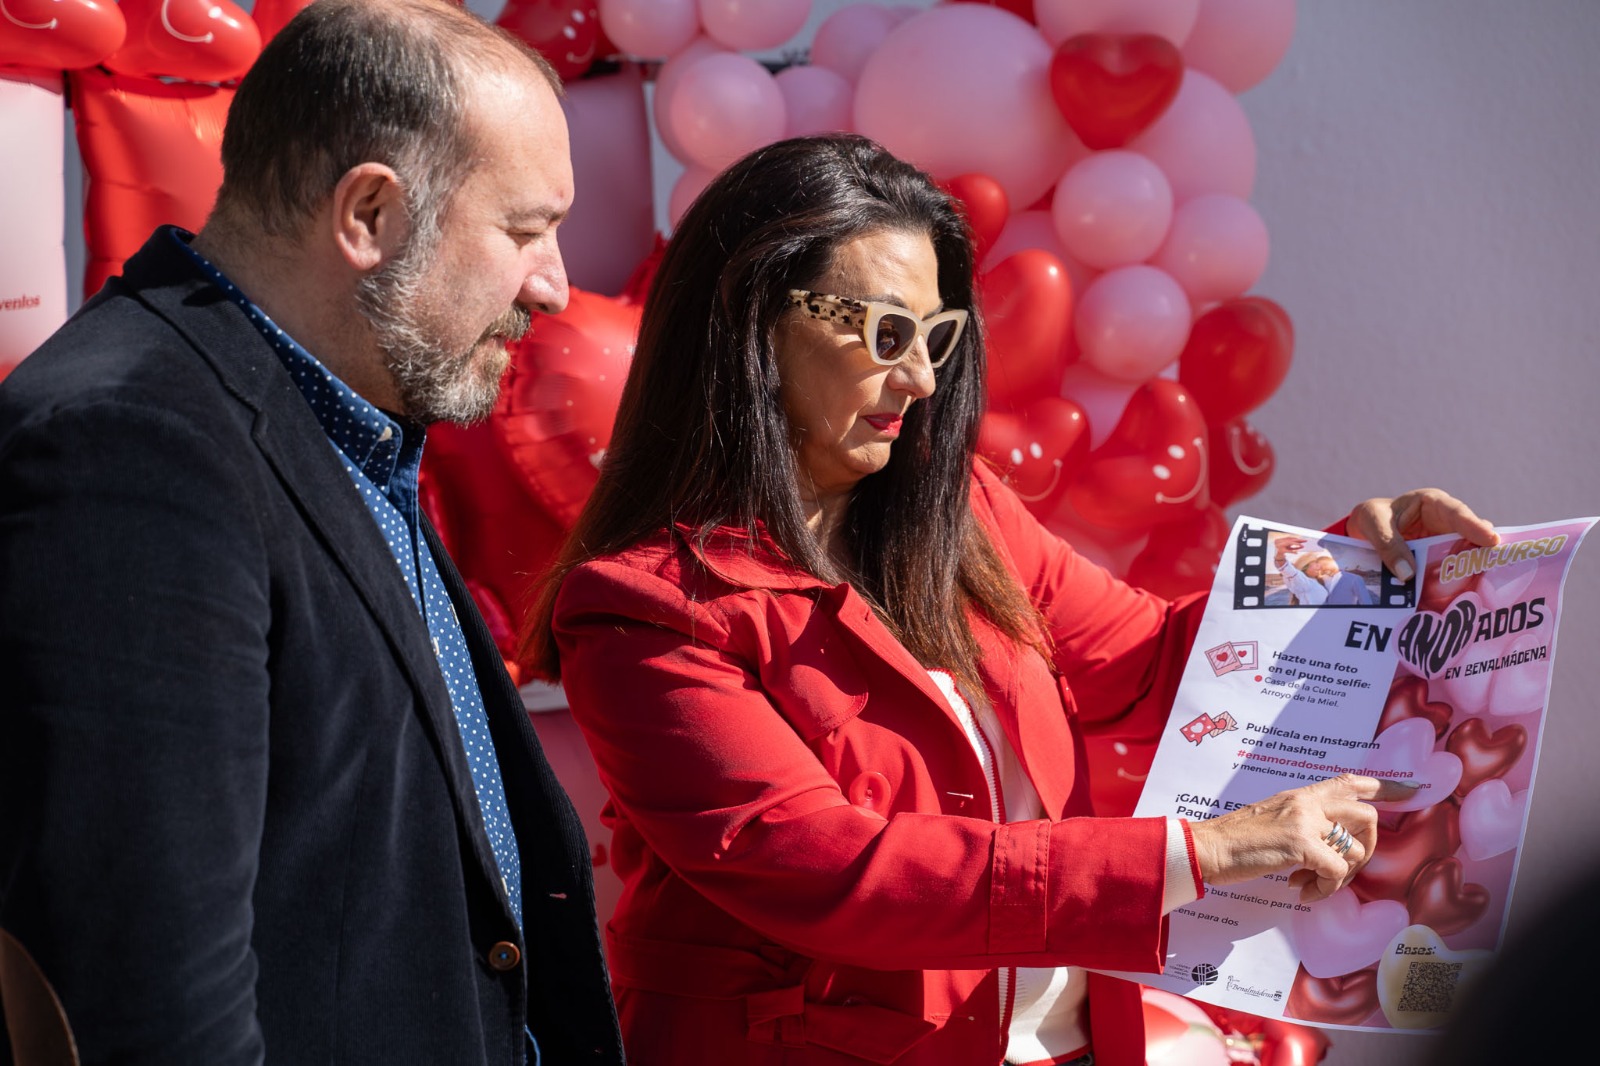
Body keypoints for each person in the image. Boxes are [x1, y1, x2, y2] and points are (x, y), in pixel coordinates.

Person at [518, 133, 1500, 1066]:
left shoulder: (963, 512)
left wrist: (1349, 577)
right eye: (884, 332)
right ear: (752, 326)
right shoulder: (640, 606)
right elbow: (830, 868)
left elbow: (1155, 663)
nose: (918, 377)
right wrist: (1201, 851)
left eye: (937, 336)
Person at [0, 0, 624, 1061]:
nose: (555, 287)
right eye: (522, 231)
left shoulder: (340, 410)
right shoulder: (131, 446)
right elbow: (146, 993)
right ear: (369, 214)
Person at [1275, 536, 1376, 606]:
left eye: (1323, 564)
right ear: (1305, 566)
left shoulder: (1323, 580)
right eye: (1317, 564)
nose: (1320, 567)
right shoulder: (1303, 581)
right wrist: (1280, 555)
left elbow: (1367, 605)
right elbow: (1289, 571)